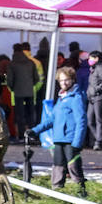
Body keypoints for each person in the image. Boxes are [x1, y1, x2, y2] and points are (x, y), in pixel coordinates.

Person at [31, 66, 86, 196]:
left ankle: (81, 191)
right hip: (58, 139)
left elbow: (81, 121)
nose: (64, 83)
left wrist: (77, 142)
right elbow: (52, 119)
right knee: (58, 165)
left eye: (67, 80)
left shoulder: (76, 98)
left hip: (70, 140)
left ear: (72, 80)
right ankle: (57, 191)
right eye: (61, 81)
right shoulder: (61, 99)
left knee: (73, 166)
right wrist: (35, 130)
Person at [85, 50, 102, 150]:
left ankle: (98, 141)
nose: (89, 60)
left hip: (98, 97)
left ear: (96, 58)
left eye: (91, 58)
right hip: (92, 97)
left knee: (98, 119)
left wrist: (96, 90)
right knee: (89, 120)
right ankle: (101, 139)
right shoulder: (93, 69)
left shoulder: (101, 68)